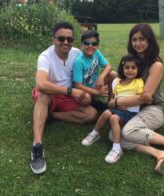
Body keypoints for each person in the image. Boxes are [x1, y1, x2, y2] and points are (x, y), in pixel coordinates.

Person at [107, 23, 164, 175]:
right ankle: (158, 153)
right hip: (133, 110)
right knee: (113, 135)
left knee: (127, 131)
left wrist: (115, 102)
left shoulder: (156, 65)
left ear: (150, 41)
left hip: (154, 108)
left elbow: (143, 98)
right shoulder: (132, 61)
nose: (138, 43)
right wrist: (109, 77)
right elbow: (122, 80)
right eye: (134, 39)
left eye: (142, 39)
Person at [30, 22, 98, 174]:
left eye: (69, 39)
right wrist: (70, 91)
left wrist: (86, 92)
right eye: (61, 38)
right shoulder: (45, 56)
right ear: (53, 39)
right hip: (51, 94)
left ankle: (52, 116)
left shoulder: (77, 54)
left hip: (69, 95)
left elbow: (93, 65)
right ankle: (37, 145)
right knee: (42, 95)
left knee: (92, 114)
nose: (65, 42)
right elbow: (41, 84)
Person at [81, 54, 144, 164]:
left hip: (131, 111)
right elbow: (111, 101)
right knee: (106, 112)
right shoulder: (116, 82)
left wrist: (126, 103)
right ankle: (95, 133)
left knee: (114, 118)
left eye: (133, 67)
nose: (130, 70)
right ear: (122, 68)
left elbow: (140, 99)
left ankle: (116, 148)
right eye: (127, 67)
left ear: (138, 69)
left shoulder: (138, 82)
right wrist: (114, 104)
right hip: (117, 108)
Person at [72, 30, 117, 113]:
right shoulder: (79, 61)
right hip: (84, 90)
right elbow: (78, 85)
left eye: (94, 43)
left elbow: (108, 66)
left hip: (95, 84)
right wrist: (97, 92)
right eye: (86, 43)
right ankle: (96, 104)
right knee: (86, 99)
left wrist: (101, 77)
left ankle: (111, 101)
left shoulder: (97, 52)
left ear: (97, 46)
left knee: (113, 74)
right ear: (82, 45)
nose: (90, 46)